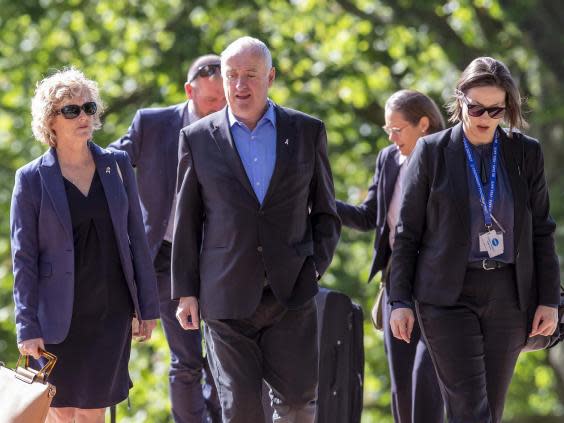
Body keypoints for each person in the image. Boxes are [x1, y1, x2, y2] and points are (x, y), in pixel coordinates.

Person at [172, 36, 341, 423]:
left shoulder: (306, 131)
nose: (240, 86)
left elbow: (326, 213)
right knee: (242, 410)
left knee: (299, 402)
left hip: (291, 293)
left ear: (271, 77)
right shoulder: (197, 139)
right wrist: (185, 291)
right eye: (232, 76)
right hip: (225, 297)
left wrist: (313, 267)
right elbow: (187, 221)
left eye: (250, 75)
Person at [389, 57, 560, 423]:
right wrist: (399, 300)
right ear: (460, 101)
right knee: (470, 410)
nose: (485, 117)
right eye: (476, 107)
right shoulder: (431, 152)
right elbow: (407, 233)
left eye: (495, 110)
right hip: (446, 296)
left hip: (509, 295)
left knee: (489, 412)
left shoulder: (524, 152)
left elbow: (543, 230)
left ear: (507, 108)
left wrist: (549, 299)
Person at [11, 68, 159, 423]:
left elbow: (137, 238)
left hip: (111, 310)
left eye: (89, 108)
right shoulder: (31, 178)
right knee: (60, 412)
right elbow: (24, 258)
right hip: (56, 316)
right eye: (71, 110)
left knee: (93, 412)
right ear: (50, 121)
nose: (84, 117)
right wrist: (26, 326)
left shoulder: (117, 165)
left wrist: (147, 306)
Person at [109, 54, 225, 423]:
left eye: (223, 101)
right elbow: (111, 160)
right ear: (190, 90)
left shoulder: (236, 127)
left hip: (218, 257)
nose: (218, 109)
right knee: (187, 358)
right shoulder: (154, 123)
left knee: (225, 356)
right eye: (210, 101)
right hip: (162, 257)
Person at [337, 89, 445, 423]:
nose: (391, 137)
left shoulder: (447, 159)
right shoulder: (388, 159)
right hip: (395, 284)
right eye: (387, 130)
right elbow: (370, 215)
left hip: (437, 284)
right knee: (402, 388)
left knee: (428, 385)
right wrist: (320, 202)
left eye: (397, 129)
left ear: (423, 124)